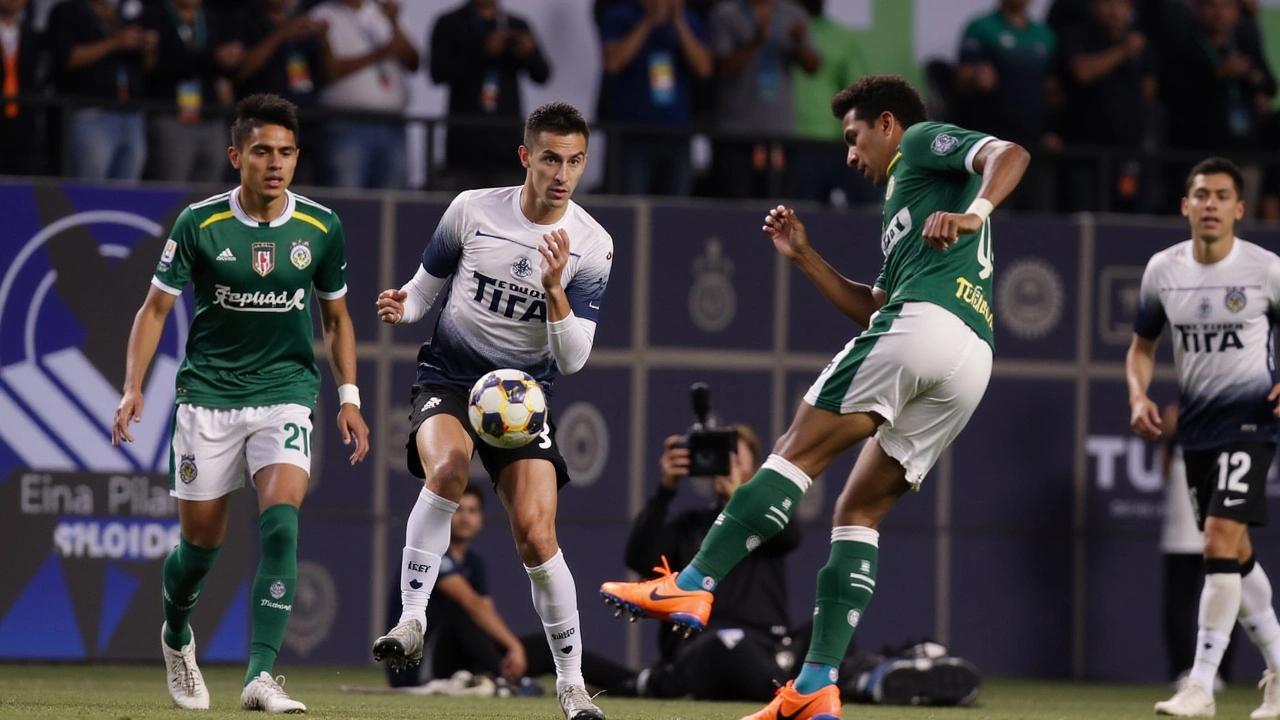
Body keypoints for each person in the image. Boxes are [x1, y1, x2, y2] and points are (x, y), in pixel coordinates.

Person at [600, 73, 1030, 720]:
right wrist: (806, 259)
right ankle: (814, 686)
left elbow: (1010, 154)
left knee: (793, 450)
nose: (850, 154)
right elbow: (877, 306)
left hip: (930, 325)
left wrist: (975, 213)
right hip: (969, 357)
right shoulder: (903, 202)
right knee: (857, 511)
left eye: (855, 137)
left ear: (887, 124)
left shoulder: (916, 141)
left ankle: (692, 584)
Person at [111, 93, 371, 713]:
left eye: (285, 152)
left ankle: (260, 676)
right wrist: (132, 386)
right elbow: (154, 310)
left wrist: (349, 396)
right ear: (237, 156)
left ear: (297, 156)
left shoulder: (320, 227)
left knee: (281, 522)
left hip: (284, 392)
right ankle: (177, 633)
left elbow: (335, 318)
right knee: (199, 551)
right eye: (262, 151)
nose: (275, 163)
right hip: (207, 396)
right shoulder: (198, 224)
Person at [370, 101, 613, 720]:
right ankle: (413, 620)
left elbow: (576, 357)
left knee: (536, 533)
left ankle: (571, 685)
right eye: (551, 159)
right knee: (447, 469)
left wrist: (556, 289)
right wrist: (403, 304)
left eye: (575, 161)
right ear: (526, 157)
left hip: (523, 398)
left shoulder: (591, 245)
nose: (562, 174)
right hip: (450, 377)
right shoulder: (473, 210)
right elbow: (426, 290)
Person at [1127, 157, 1280, 718]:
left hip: (1252, 423)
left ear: (1239, 210)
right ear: (1185, 206)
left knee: (1216, 541)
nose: (1210, 204)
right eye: (1201, 194)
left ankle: (1201, 685)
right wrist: (1139, 397)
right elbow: (1142, 347)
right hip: (1197, 431)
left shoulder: (1265, 269)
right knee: (1235, 556)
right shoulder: (1162, 270)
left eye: (1221, 196)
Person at [383, 484, 638, 696]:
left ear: (480, 519)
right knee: (462, 614)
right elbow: (473, 604)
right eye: (459, 510)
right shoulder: (432, 554)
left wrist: (513, 651)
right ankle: (510, 683)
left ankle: (635, 682)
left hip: (465, 661)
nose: (465, 517)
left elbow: (486, 613)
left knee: (542, 646)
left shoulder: (473, 562)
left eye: (473, 511)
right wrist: (513, 647)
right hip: (420, 668)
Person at [625, 423, 804, 701]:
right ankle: (786, 700)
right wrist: (665, 491)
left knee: (825, 630)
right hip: (703, 646)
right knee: (725, 642)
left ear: (755, 470)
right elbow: (639, 558)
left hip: (767, 646)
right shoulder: (689, 525)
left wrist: (739, 499)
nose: (724, 467)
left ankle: (865, 683)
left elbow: (791, 537)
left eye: (734, 460)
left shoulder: (764, 520)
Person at [1159, 402, 1240, 688]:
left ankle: (1218, 672)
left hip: (1220, 528)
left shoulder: (1229, 418)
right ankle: (1182, 670)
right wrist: (1168, 437)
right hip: (1180, 532)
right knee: (1178, 605)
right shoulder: (1178, 420)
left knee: (1227, 596)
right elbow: (1166, 473)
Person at [429, 0, 550, 190]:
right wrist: (481, 51)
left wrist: (530, 53)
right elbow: (438, 73)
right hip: (465, 144)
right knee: (465, 214)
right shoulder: (450, 23)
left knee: (507, 214)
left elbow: (542, 74)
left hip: (507, 143)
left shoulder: (515, 25)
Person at [598, 0, 713, 197]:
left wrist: (679, 23)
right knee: (632, 206)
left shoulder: (689, 21)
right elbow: (614, 62)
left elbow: (704, 68)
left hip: (677, 135)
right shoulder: (620, 17)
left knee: (676, 211)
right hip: (633, 135)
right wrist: (649, 22)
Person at [310, 0, 419, 189]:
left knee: (393, 203)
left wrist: (394, 22)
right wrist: (380, 54)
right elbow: (329, 72)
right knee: (349, 199)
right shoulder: (322, 14)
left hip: (392, 125)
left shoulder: (382, 13)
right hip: (346, 125)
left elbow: (414, 62)